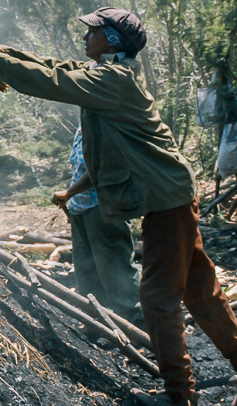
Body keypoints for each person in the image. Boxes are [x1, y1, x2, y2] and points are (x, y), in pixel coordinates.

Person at [0, 7, 237, 406]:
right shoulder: (105, 73)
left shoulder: (115, 80)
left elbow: (56, 81)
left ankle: (179, 395)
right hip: (169, 195)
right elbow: (55, 66)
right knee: (198, 288)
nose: (85, 38)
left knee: (157, 299)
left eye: (93, 31)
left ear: (113, 40)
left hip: (167, 198)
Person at [52, 113, 143, 326]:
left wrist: (70, 193)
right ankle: (97, 324)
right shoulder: (83, 123)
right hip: (80, 208)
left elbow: (102, 168)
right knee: (86, 272)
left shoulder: (106, 121)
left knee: (116, 271)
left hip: (103, 208)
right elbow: (81, 167)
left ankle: (137, 327)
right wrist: (72, 201)